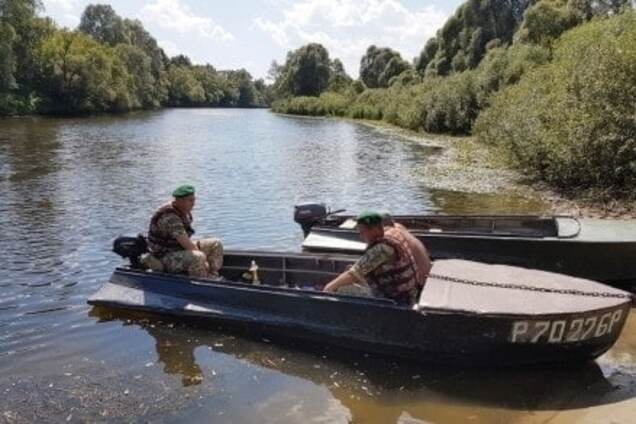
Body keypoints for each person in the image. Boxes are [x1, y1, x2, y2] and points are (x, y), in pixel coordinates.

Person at [322, 210, 428, 306]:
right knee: (348, 273)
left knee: (341, 289)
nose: (361, 236)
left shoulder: (382, 248)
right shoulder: (394, 232)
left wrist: (328, 288)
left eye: (362, 232)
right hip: (408, 291)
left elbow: (354, 273)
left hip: (397, 299)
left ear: (374, 229)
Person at [146, 184, 223, 278]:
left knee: (215, 243)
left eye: (194, 200)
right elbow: (187, 244)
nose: (194, 203)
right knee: (198, 257)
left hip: (177, 249)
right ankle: (201, 282)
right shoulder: (170, 217)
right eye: (190, 200)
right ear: (180, 201)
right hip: (164, 257)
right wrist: (204, 261)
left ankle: (212, 276)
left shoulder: (183, 210)